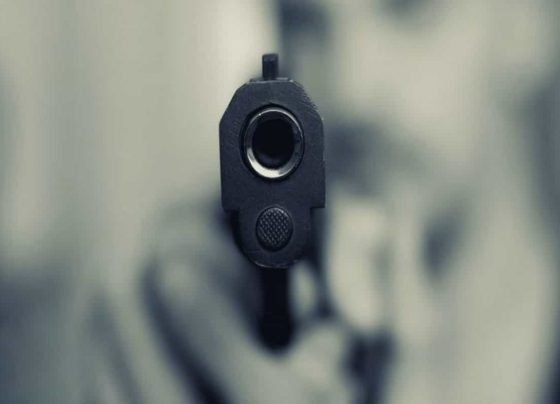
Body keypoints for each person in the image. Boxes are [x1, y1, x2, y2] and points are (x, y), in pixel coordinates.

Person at [92, 1, 560, 403]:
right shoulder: (219, 304)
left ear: (530, 15)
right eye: (302, 18)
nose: (351, 90)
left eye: (407, 7)